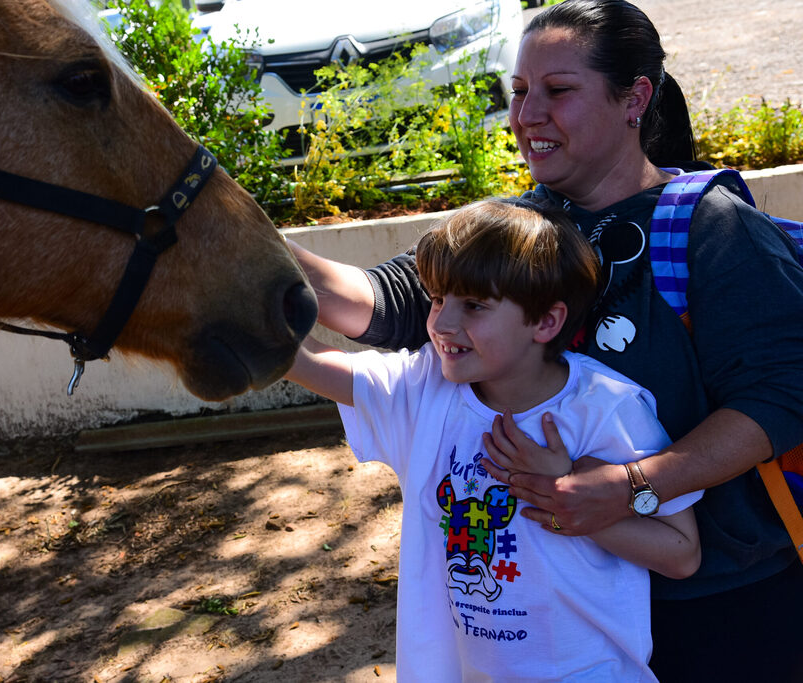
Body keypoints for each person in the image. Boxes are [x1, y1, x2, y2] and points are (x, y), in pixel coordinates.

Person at [288, 1, 803, 680]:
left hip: (721, 613)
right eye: (520, 91)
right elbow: (382, 303)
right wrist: (224, 233)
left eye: (557, 91)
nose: (527, 114)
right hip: (567, 629)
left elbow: (780, 395)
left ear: (634, 99)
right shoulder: (510, 231)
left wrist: (629, 488)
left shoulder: (715, 231)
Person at [286, 197, 702, 681]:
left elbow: (681, 554)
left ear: (546, 321)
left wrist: (565, 498)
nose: (441, 324)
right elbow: (300, 359)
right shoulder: (423, 390)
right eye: (437, 299)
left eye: (474, 305)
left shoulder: (606, 408)